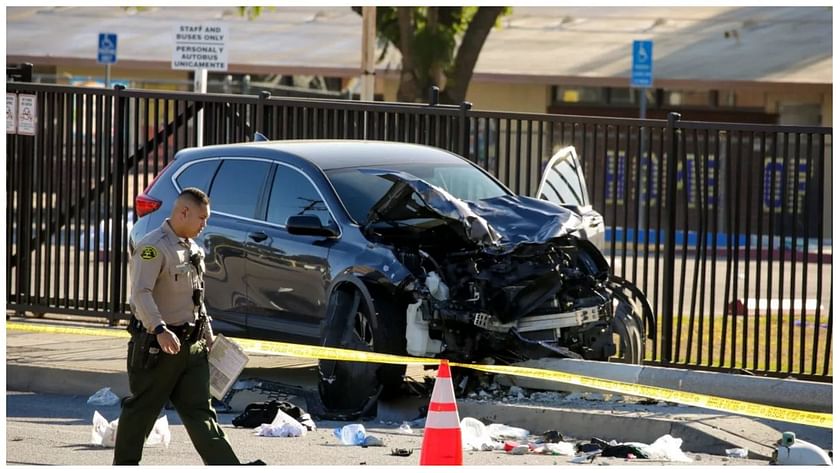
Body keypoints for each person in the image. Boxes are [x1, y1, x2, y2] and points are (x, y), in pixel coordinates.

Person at [114, 187, 242, 465]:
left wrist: (208, 337)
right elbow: (141, 293)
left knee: (201, 413)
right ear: (184, 212)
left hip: (192, 348)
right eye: (201, 218)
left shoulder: (193, 248)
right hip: (158, 349)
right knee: (142, 411)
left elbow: (196, 297)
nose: (204, 224)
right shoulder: (153, 247)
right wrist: (159, 329)